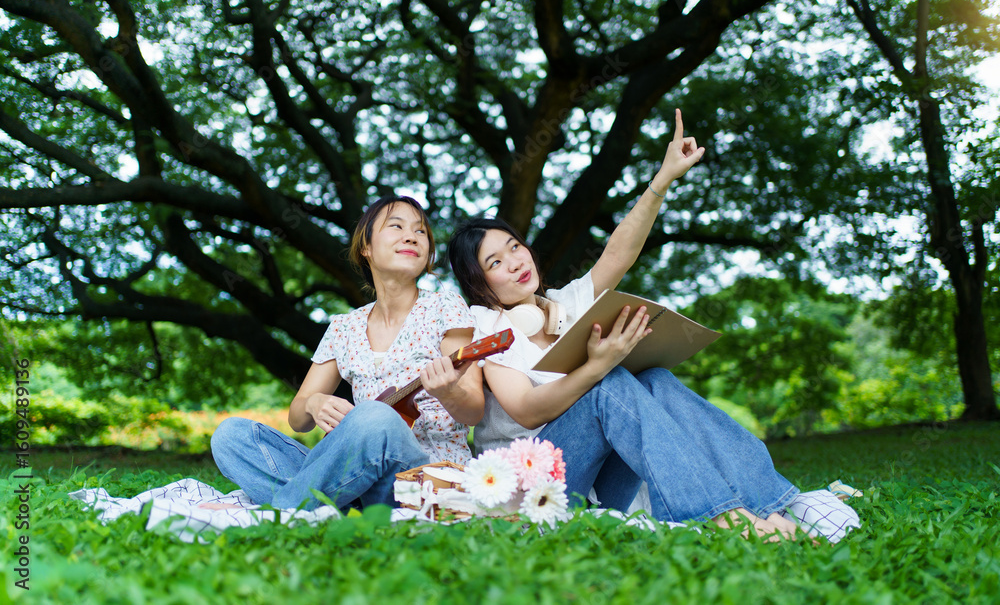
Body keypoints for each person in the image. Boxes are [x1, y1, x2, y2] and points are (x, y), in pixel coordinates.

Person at [448, 110, 803, 539]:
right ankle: (725, 520)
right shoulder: (486, 324)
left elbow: (618, 254)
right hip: (534, 490)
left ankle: (771, 507)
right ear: (479, 284)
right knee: (608, 384)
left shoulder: (563, 303)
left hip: (603, 480)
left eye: (515, 247)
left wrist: (663, 179)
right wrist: (597, 367)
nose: (516, 262)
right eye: (496, 263)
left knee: (655, 378)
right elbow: (525, 410)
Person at [212, 195, 483, 511]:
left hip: (422, 480)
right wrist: (314, 403)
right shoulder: (344, 327)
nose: (412, 236)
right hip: (356, 479)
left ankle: (283, 511)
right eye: (396, 226)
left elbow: (474, 410)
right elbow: (297, 418)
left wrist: (449, 391)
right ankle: (322, 505)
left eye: (420, 231)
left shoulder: (445, 306)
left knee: (374, 415)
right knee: (230, 436)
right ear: (365, 248)